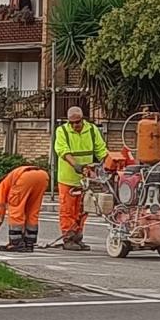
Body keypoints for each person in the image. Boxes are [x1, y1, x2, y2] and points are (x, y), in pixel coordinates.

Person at [54, 106, 108, 251]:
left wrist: (107, 163)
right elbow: (62, 150)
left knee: (82, 209)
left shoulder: (91, 130)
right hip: (67, 178)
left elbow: (101, 149)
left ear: (82, 119)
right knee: (68, 210)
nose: (75, 125)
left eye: (77, 122)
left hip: (85, 178)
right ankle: (68, 238)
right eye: (72, 123)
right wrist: (76, 165)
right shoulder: (62, 131)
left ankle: (78, 237)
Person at [0, 165, 50, 252]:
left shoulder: (0, 188)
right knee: (32, 211)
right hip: (43, 176)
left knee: (16, 210)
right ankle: (29, 243)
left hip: (25, 178)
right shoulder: (9, 180)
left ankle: (16, 243)